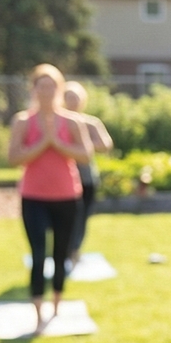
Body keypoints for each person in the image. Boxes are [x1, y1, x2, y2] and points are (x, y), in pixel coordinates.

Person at [8, 64, 94, 332]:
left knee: (61, 254)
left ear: (59, 89)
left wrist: (57, 143)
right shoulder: (23, 121)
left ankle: (57, 304)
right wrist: (42, 143)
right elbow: (13, 158)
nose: (46, 91)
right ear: (33, 89)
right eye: (41, 86)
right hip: (34, 197)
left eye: (51, 86)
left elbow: (86, 154)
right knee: (38, 253)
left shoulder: (71, 121)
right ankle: (37, 310)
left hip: (66, 196)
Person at [61, 80, 114, 271]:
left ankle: (75, 249)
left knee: (82, 216)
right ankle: (64, 249)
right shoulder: (58, 122)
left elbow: (106, 144)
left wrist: (83, 145)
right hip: (62, 179)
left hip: (86, 178)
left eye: (75, 97)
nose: (72, 101)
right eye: (68, 97)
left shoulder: (91, 122)